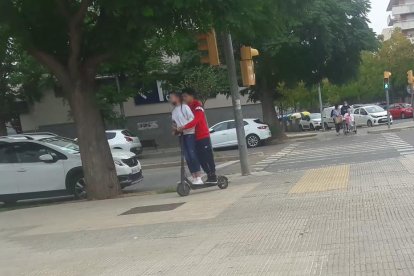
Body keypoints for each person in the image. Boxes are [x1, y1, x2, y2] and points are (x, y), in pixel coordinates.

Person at [180, 88, 218, 184]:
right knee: (200, 158)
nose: (184, 98)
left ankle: (213, 175)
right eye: (183, 96)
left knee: (207, 156)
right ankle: (208, 174)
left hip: (203, 136)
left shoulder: (198, 107)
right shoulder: (186, 108)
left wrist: (183, 127)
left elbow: (195, 121)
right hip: (193, 137)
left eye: (185, 96)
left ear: (191, 96)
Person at [169, 92, 203, 185]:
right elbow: (174, 124)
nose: (170, 99)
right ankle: (194, 176)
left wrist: (184, 127)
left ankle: (199, 176)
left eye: (172, 97)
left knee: (192, 154)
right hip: (181, 135)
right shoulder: (174, 111)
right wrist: (175, 130)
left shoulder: (185, 108)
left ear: (177, 98)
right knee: (187, 157)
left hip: (189, 134)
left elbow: (192, 120)